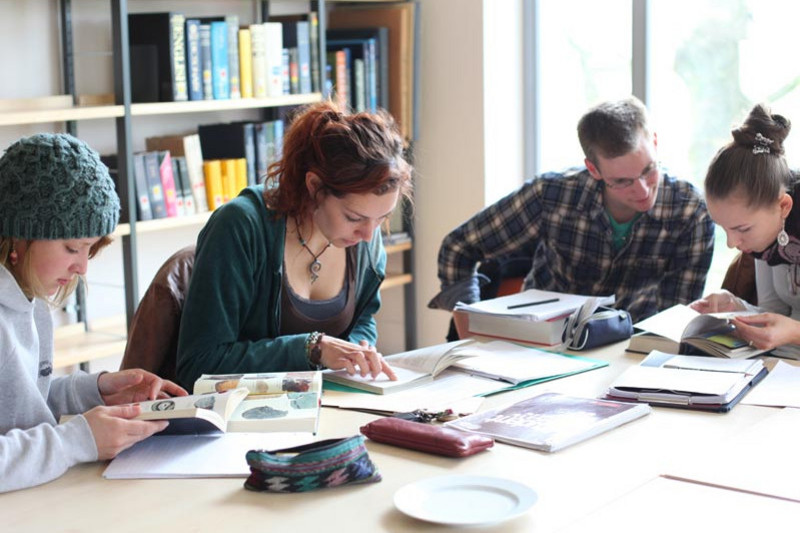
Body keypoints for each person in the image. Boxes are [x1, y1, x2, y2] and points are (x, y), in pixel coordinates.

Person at [176, 101, 413, 387]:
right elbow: (199, 364)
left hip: (327, 409)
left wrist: (358, 351)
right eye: (354, 217)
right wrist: (312, 348)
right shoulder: (241, 226)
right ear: (314, 186)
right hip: (242, 418)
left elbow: (363, 318)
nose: (368, 234)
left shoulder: (365, 238)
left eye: (382, 218)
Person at [0, 133, 187, 493]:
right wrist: (76, 441)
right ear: (19, 235)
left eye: (89, 249)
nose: (82, 268)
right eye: (72, 247)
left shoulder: (31, 297)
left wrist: (97, 391)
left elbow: (18, 405)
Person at [429, 96, 715, 323]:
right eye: (622, 181)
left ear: (654, 142)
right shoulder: (552, 196)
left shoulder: (690, 212)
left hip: (631, 354)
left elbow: (675, 323)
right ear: (593, 169)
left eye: (649, 170)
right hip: (538, 348)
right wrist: (472, 327)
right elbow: (458, 248)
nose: (641, 190)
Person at [690, 104, 800, 356]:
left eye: (742, 228)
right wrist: (735, 306)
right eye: (724, 229)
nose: (732, 243)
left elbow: (788, 328)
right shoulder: (766, 239)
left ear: (783, 205)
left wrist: (794, 332)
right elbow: (776, 315)